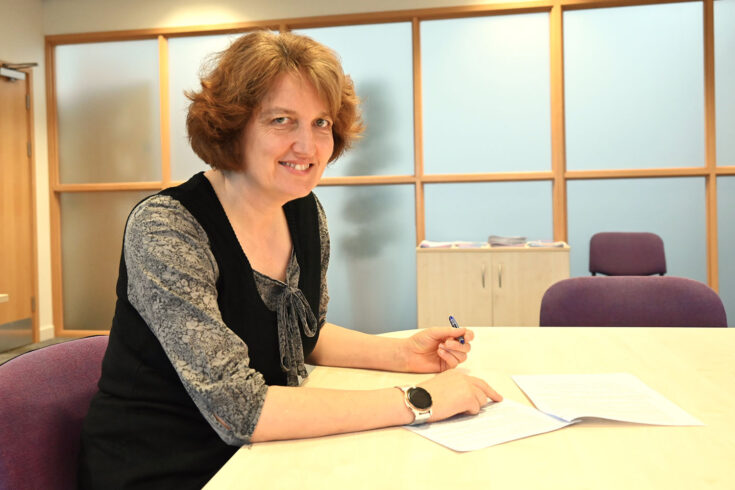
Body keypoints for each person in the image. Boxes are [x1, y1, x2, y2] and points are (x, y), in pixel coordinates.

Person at [77, 30, 502, 489]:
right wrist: (418, 400)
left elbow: (306, 332)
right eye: (282, 120)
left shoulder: (302, 210)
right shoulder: (168, 228)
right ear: (233, 124)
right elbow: (240, 410)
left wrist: (402, 353)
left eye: (321, 122)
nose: (309, 146)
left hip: (264, 455)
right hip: (168, 468)